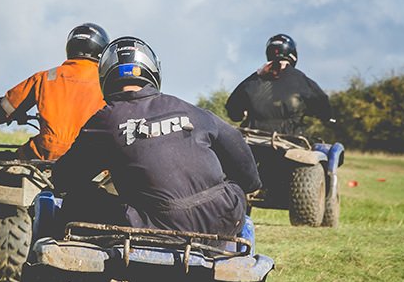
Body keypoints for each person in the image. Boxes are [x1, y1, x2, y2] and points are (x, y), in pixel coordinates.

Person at [51, 36, 261, 237]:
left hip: (161, 226)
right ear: (152, 71)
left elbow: (65, 179)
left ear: (105, 76)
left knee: (77, 200)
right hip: (224, 217)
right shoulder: (189, 109)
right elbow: (242, 158)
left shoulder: (104, 121)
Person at [0, 23, 110, 160]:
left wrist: (3, 116)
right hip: (93, 155)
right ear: (102, 52)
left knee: (2, 162)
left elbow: (5, 108)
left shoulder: (46, 77)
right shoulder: (108, 83)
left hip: (47, 151)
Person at [225, 34, 332, 135]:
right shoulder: (302, 81)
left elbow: (233, 112)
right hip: (290, 142)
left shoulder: (251, 80)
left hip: (252, 141)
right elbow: (324, 109)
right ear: (293, 54)